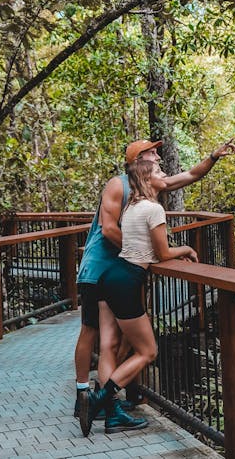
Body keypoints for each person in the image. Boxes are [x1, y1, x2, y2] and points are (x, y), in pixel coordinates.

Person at [73, 138, 235, 434]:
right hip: (101, 267)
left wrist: (213, 156)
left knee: (112, 343)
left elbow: (191, 176)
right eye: (152, 153)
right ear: (139, 161)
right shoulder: (119, 186)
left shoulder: (148, 189)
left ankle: (108, 407)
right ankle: (85, 396)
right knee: (98, 334)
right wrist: (142, 252)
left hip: (120, 270)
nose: (159, 157)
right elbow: (109, 229)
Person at [86, 158, 199, 431]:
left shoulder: (131, 208)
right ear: (148, 180)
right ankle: (101, 398)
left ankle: (111, 412)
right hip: (126, 281)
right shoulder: (154, 209)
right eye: (159, 171)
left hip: (109, 277)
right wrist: (185, 249)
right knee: (148, 351)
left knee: (108, 347)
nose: (164, 175)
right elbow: (162, 254)